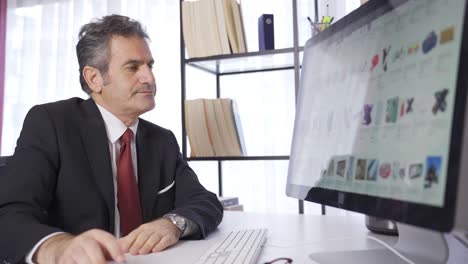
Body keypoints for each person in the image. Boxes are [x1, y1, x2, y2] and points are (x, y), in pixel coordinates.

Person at [0, 14, 223, 264]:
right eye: (133, 67)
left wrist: (172, 224)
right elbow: (9, 215)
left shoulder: (162, 140)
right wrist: (58, 247)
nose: (149, 78)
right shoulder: (51, 123)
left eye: (150, 66)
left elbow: (205, 201)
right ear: (94, 78)